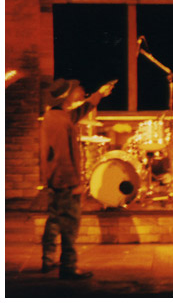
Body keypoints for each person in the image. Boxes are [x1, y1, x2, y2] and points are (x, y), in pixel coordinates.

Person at [40, 78, 115, 280]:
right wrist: (74, 184)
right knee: (70, 224)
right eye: (73, 91)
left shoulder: (57, 115)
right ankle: (68, 266)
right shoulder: (59, 121)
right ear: (66, 97)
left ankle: (48, 259)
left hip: (56, 180)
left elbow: (80, 112)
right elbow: (62, 156)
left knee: (54, 220)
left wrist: (99, 94)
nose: (78, 93)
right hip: (64, 182)